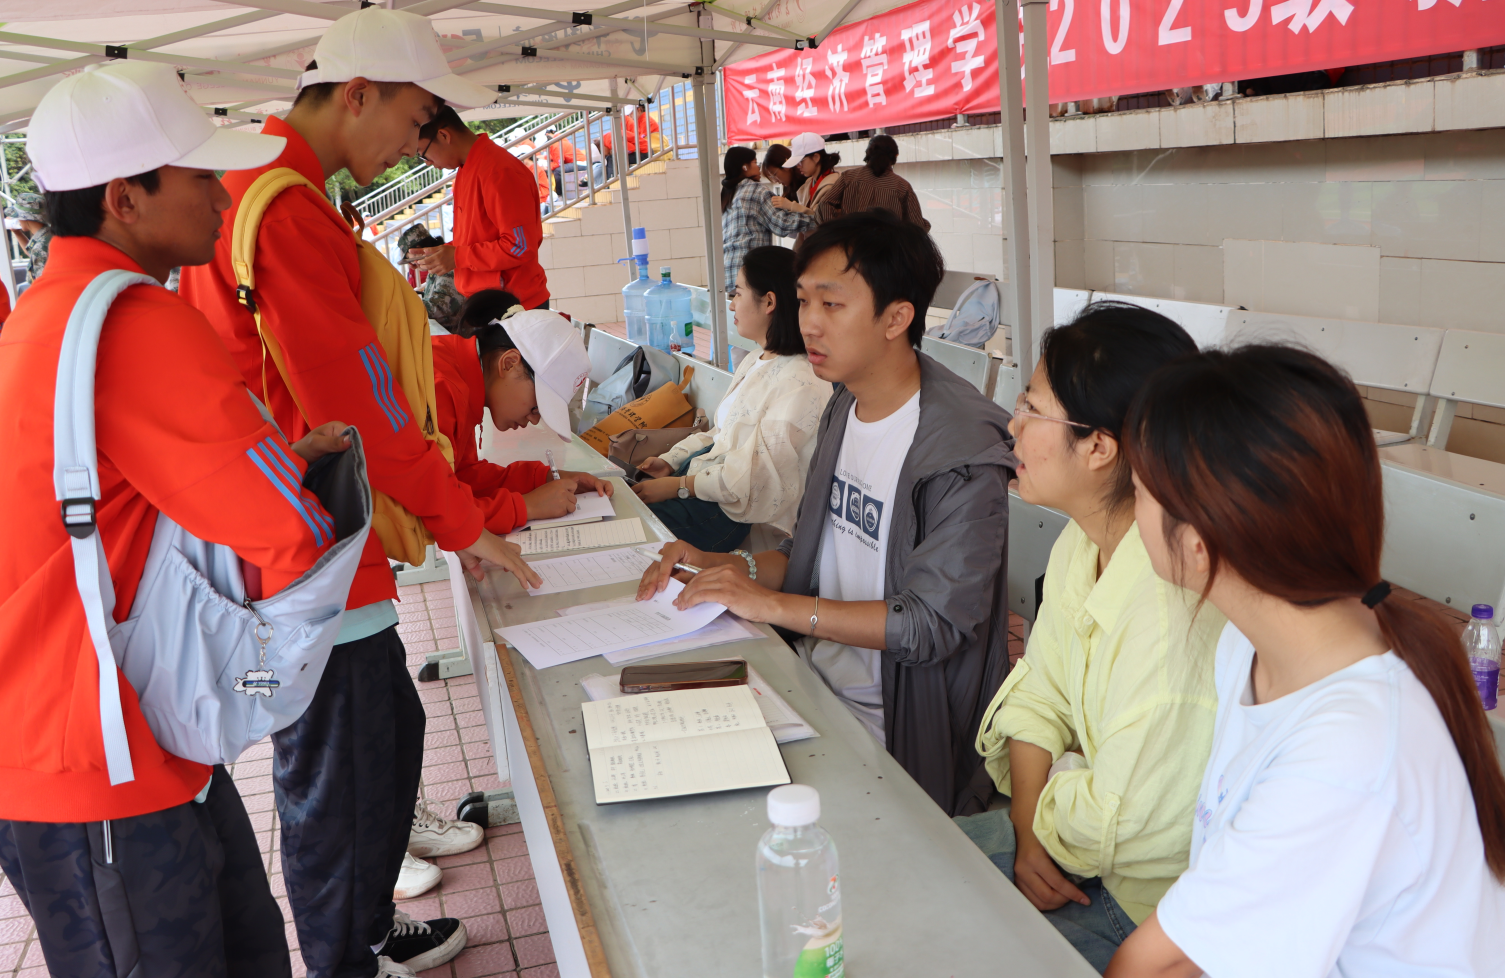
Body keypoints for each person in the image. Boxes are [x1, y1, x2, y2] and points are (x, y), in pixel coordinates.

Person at [179, 10, 541, 978]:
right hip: (305, 546)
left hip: (317, 538)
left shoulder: (274, 184)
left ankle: (369, 931)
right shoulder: (286, 208)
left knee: (387, 739)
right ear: (356, 95)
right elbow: (367, 408)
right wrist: (468, 527)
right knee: (336, 782)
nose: (413, 147)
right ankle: (346, 958)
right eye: (413, 120)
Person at [0, 60, 351, 978]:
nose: (219, 193)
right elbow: (289, 535)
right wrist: (259, 680)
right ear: (126, 197)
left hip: (73, 744)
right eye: (198, 174)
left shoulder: (43, 315)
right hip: (104, 767)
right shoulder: (138, 322)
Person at [1106, 345, 1505, 977]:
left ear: (1198, 544)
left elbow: (1147, 967)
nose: (1131, 511)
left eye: (1139, 491)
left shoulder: (1349, 749)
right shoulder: (1250, 648)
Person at [639, 211, 1014, 815]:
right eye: (803, 300)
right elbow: (813, 555)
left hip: (897, 736)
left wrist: (774, 606)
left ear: (897, 317)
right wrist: (723, 565)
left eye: (832, 305)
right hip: (815, 693)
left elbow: (930, 625)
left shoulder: (959, 448)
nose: (809, 322)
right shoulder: (845, 403)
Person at [951, 302, 1223, 973]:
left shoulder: (1167, 612)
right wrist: (1025, 827)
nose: (1010, 427)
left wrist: (1042, 801)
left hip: (1138, 909)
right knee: (896, 862)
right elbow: (1037, 697)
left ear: (1099, 447)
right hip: (1058, 842)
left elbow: (1112, 826)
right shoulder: (1082, 541)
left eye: (1029, 409)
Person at [631, 246, 831, 551]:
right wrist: (670, 462)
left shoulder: (801, 382)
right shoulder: (754, 360)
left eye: (737, 293)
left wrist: (678, 486)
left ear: (769, 302)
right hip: (709, 493)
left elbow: (754, 480)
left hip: (736, 519)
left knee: (633, 528)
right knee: (627, 511)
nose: (732, 303)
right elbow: (721, 434)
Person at [433, 287, 613, 535]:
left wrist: (544, 480)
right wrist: (526, 507)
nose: (535, 419)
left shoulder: (461, 376)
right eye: (537, 406)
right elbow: (433, 509)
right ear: (508, 363)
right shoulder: (441, 387)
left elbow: (462, 476)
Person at [408, 104, 549, 309]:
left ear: (444, 136)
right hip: (486, 302)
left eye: (423, 154)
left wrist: (457, 256)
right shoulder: (466, 169)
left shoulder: (499, 171)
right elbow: (476, 238)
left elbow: (519, 246)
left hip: (516, 306)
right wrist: (438, 254)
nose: (428, 163)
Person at [720, 145, 814, 294]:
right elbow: (782, 224)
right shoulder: (756, 190)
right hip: (749, 274)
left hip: (727, 274)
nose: (758, 168)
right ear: (744, 167)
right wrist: (816, 218)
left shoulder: (727, 196)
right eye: (754, 163)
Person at [820, 134, 930, 232]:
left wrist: (837, 231)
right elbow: (917, 228)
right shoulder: (902, 187)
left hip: (850, 248)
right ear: (895, 156)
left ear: (867, 153)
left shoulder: (848, 177)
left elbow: (824, 205)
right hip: (887, 251)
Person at [770, 132, 842, 243]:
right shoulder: (810, 182)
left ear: (816, 157)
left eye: (800, 162)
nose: (798, 167)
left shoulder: (833, 184)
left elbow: (819, 219)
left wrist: (790, 205)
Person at [398, 222, 461, 329]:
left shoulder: (445, 266)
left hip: (455, 334)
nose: (413, 265)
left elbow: (440, 308)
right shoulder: (435, 268)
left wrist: (404, 305)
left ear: (418, 249)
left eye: (411, 259)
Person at [6, 191, 51, 281]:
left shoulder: (40, 245)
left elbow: (41, 283)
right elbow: (32, 253)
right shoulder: (47, 235)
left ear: (24, 217)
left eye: (17, 216)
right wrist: (17, 233)